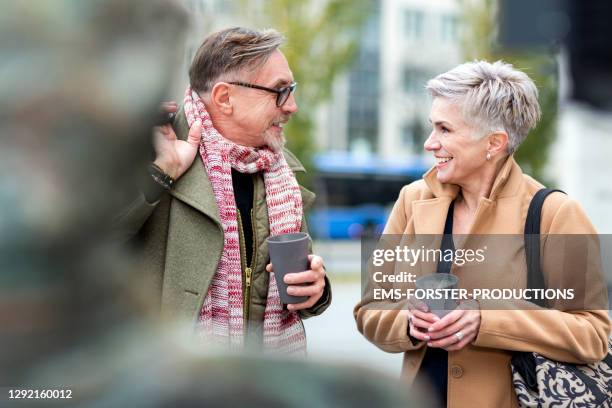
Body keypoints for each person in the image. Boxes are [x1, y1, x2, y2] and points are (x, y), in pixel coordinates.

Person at [354, 60, 611, 407]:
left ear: (494, 142)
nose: (430, 142)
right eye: (432, 127)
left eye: (445, 129)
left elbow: (592, 334)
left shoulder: (555, 214)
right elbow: (370, 310)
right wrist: (409, 322)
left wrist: (485, 321)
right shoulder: (411, 201)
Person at [116, 27, 330, 353]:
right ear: (224, 98)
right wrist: (161, 173)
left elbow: (291, 291)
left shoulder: (281, 175)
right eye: (280, 91)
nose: (292, 106)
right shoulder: (153, 150)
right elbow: (76, 248)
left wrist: (317, 289)